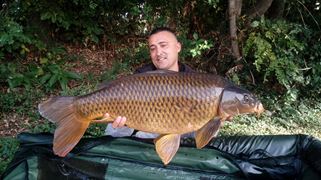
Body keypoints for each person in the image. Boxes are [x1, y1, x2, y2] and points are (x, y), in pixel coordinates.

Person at [104, 27, 194, 138]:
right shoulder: (141, 76)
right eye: (153, 48)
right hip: (145, 126)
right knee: (114, 131)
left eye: (163, 45)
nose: (158, 53)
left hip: (184, 126)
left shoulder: (192, 78)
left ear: (178, 47)